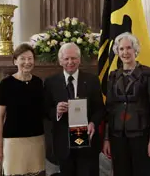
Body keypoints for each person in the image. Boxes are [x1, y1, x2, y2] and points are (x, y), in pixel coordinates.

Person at [44, 42, 105, 176]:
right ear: (60, 61)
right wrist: (57, 111)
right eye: (66, 58)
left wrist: (93, 123)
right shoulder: (50, 82)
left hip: (87, 143)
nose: (70, 62)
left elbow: (99, 108)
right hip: (63, 144)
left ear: (79, 60)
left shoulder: (92, 80)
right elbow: (45, 112)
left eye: (74, 58)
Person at [102, 32, 150, 176]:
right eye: (121, 49)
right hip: (117, 136)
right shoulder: (113, 75)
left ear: (135, 50)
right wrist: (107, 139)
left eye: (128, 48)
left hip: (141, 135)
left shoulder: (148, 74)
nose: (125, 52)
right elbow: (109, 109)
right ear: (117, 51)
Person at [0, 43, 45, 176]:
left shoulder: (38, 82)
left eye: (30, 58)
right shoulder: (6, 84)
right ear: (15, 61)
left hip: (36, 140)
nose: (27, 62)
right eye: (23, 58)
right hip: (13, 142)